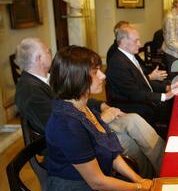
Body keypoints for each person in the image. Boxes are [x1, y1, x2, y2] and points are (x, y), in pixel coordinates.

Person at [14, 38, 164, 178]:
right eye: (48, 51)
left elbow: (74, 95)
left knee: (133, 119)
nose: (51, 53)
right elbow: (60, 128)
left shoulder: (46, 78)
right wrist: (100, 120)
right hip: (73, 142)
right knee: (127, 141)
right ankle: (148, 178)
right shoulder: (30, 91)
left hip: (87, 122)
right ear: (38, 58)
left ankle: (165, 166)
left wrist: (101, 105)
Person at [45, 46, 152, 191]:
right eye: (95, 72)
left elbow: (111, 152)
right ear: (76, 78)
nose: (103, 76)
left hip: (95, 190)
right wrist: (140, 188)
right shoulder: (67, 123)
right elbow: (97, 182)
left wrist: (139, 180)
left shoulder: (81, 106)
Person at [106, 25, 178, 136]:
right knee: (175, 109)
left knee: (176, 102)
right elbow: (134, 94)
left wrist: (167, 88)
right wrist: (164, 96)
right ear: (124, 42)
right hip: (132, 105)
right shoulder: (118, 63)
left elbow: (143, 81)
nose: (140, 44)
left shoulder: (129, 56)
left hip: (142, 98)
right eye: (136, 41)